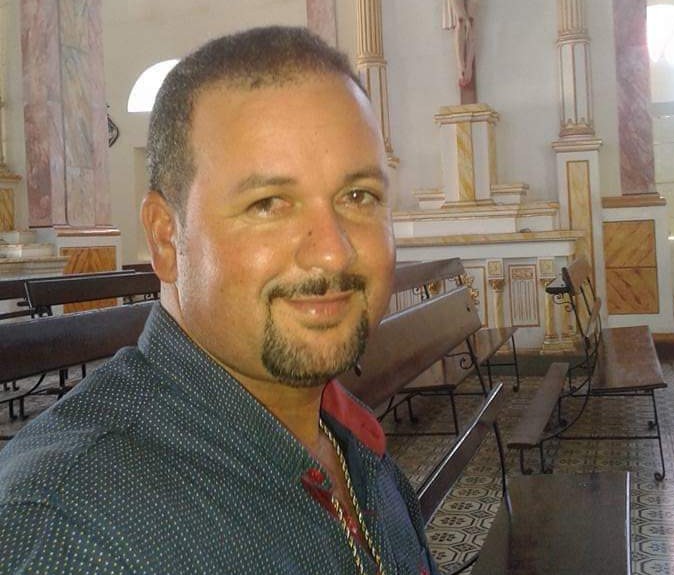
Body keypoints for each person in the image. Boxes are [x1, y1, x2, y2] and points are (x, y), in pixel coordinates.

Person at [0, 27, 438, 574]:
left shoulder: (349, 439)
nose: (333, 251)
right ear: (166, 238)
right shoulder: (70, 531)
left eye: (358, 196)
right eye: (269, 203)